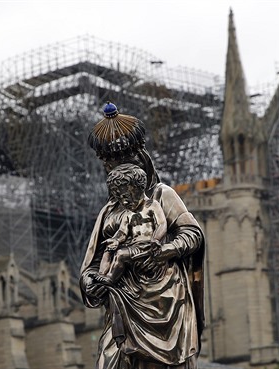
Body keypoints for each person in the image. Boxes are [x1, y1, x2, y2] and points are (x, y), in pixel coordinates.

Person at [80, 102, 205, 369]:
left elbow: (193, 234)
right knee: (109, 360)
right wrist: (91, 282)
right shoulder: (109, 211)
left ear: (141, 158)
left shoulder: (162, 195)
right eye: (113, 165)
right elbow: (92, 262)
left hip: (165, 300)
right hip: (123, 304)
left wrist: (163, 251)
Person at [95, 163, 167, 286]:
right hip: (135, 247)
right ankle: (102, 275)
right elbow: (122, 232)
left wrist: (156, 239)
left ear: (139, 188)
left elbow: (162, 224)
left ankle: (111, 278)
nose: (123, 201)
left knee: (120, 254)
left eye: (126, 196)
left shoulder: (152, 205)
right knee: (109, 250)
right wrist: (116, 240)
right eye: (119, 198)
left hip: (147, 246)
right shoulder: (127, 213)